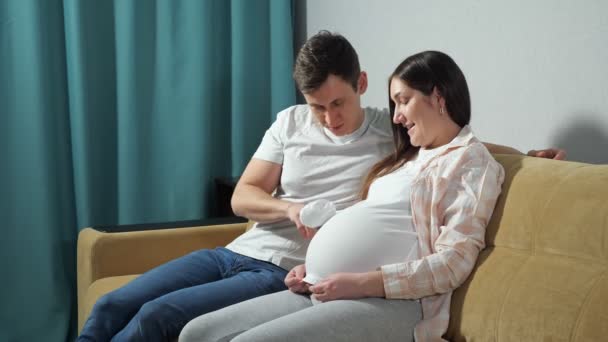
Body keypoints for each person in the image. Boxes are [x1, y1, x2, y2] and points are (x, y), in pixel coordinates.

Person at [78, 31, 562, 342]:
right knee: (115, 304)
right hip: (257, 253)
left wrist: (523, 155)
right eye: (317, 106)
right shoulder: (369, 142)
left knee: (158, 317)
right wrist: (291, 211)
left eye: (338, 103)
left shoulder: (392, 134)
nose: (330, 118)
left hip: (311, 276)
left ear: (361, 84)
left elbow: (462, 146)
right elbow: (242, 197)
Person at [179, 50, 503, 342]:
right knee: (197, 333)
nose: (396, 117)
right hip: (321, 287)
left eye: (403, 101)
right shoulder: (409, 154)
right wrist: (311, 267)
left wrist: (361, 283)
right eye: (394, 105)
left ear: (439, 96)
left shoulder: (471, 162)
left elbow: (454, 263)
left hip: (396, 303)